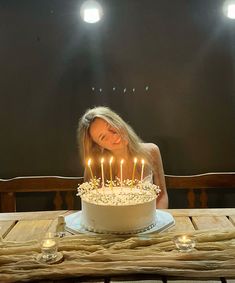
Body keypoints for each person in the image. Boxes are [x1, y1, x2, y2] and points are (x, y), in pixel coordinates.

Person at [77, 106, 168, 208]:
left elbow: (162, 196)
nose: (114, 135)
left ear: (118, 120)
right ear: (99, 146)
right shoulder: (94, 167)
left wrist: (157, 219)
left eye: (111, 126)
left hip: (147, 220)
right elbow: (90, 206)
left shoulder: (151, 151)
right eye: (103, 137)